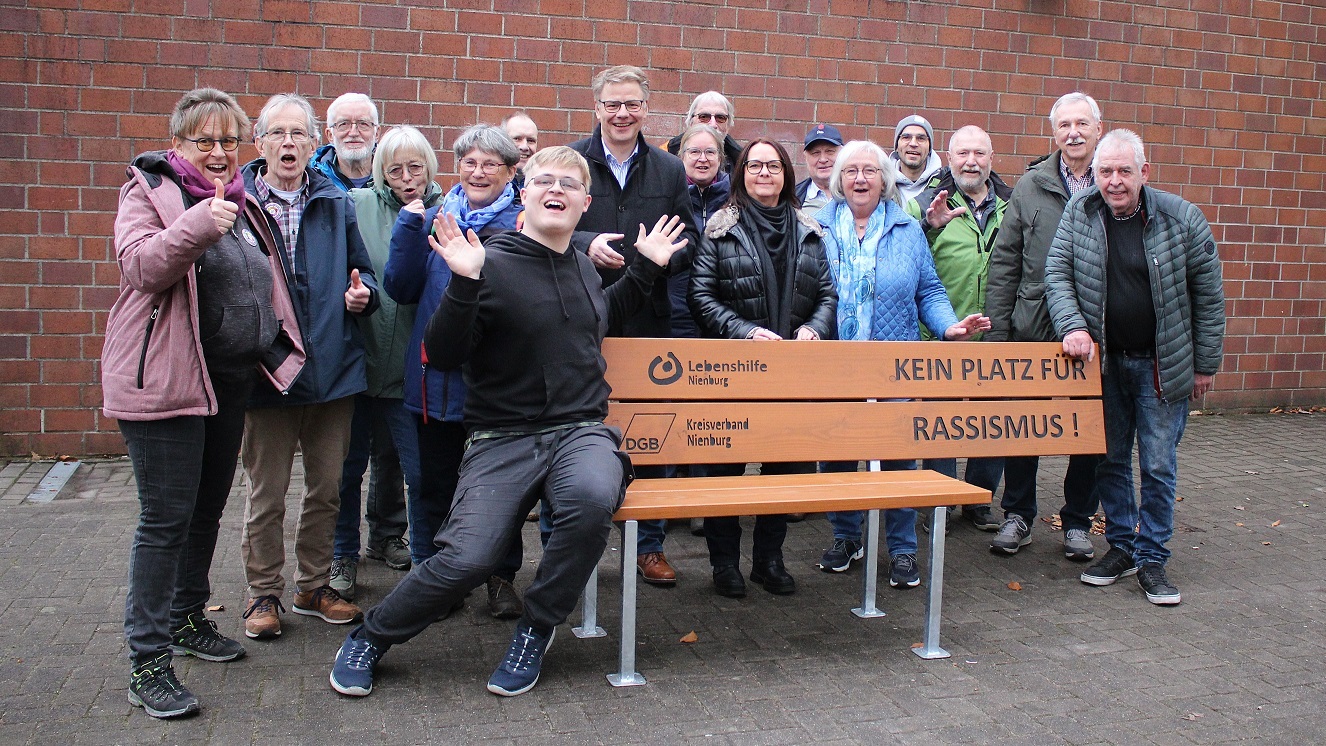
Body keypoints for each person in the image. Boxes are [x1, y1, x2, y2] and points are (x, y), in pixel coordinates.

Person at [328, 146, 688, 698]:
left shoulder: (582, 268)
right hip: (503, 437)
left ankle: (536, 628)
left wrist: (646, 266)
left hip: (580, 431)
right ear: (525, 194)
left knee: (592, 502)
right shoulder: (489, 260)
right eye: (544, 180)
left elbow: (602, 316)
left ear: (584, 204)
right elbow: (443, 353)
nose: (556, 190)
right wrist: (465, 284)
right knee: (468, 558)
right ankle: (371, 636)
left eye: (569, 185)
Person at [105, 88, 304, 718]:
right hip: (165, 383)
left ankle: (188, 621)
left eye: (228, 141)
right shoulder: (150, 192)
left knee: (205, 512)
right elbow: (139, 268)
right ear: (178, 145)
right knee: (164, 522)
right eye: (204, 141)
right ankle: (148, 661)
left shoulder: (243, 205)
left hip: (226, 381)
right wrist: (196, 225)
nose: (218, 152)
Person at [1046, 129, 1224, 605]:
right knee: (1109, 460)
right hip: (1104, 365)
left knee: (1159, 465)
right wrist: (1073, 326)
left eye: (1125, 171)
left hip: (1161, 366)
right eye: (1105, 172)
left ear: (1144, 172)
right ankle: (1122, 546)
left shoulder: (1182, 218)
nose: (1115, 181)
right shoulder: (1079, 213)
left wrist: (1205, 363)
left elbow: (1209, 297)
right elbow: (1057, 274)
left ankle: (1152, 559)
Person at [813, 141, 990, 587]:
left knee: (897, 458)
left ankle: (903, 547)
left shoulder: (906, 228)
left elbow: (928, 289)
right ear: (838, 180)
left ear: (884, 178)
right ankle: (845, 535)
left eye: (869, 171)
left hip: (894, 361)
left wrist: (948, 327)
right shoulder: (816, 228)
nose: (860, 179)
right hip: (836, 363)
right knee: (838, 455)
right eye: (851, 171)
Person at [239, 93, 379, 640]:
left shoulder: (332, 201)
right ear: (261, 142)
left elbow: (361, 274)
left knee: (328, 489)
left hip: (332, 370)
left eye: (299, 134)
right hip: (266, 372)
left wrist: (360, 294)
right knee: (266, 493)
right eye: (278, 133)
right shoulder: (238, 204)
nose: (289, 143)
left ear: (313, 142)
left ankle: (313, 585)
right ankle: (263, 594)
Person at [384, 124, 527, 619]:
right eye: (469, 161)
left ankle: (500, 577)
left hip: (495, 384)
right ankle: (435, 576)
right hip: (432, 382)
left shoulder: (523, 223)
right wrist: (408, 229)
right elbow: (400, 288)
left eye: (491, 163)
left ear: (512, 171)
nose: (478, 171)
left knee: (498, 487)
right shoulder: (437, 217)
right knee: (431, 483)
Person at [689, 138, 837, 598]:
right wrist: (745, 333)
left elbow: (828, 295)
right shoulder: (720, 229)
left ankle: (769, 560)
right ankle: (724, 565)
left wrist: (814, 328)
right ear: (742, 174)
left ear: (786, 175)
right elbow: (701, 297)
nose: (764, 173)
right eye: (755, 166)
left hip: (791, 374)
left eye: (773, 166)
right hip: (734, 372)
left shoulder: (810, 229)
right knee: (724, 473)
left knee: (783, 471)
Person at [570, 65, 698, 587]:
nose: (622, 113)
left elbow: (689, 237)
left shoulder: (669, 170)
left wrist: (661, 256)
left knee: (649, 435)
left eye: (632, 104)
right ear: (596, 107)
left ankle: (649, 545)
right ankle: (569, 550)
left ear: (646, 108)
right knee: (576, 432)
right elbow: (537, 223)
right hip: (581, 318)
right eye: (612, 104)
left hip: (648, 324)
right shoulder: (571, 161)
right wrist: (584, 244)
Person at [984, 92, 1106, 560]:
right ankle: (1018, 515)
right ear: (1053, 132)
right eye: (1063, 125)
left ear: (1098, 127)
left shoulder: (1114, 179)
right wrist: (997, 336)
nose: (1073, 132)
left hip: (1094, 330)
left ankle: (1077, 520)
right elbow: (1005, 262)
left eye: (1081, 123)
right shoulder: (1032, 185)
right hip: (1032, 327)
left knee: (1089, 431)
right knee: (1023, 428)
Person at [330, 125, 439, 601]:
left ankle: (423, 565)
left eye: (415, 167)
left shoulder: (447, 212)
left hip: (412, 372)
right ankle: (341, 557)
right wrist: (351, 296)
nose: (406, 177)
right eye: (395, 168)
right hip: (359, 361)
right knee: (345, 471)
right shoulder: (355, 208)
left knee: (418, 474)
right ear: (380, 171)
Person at [908, 125, 1011, 531]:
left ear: (991, 158)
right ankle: (942, 500)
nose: (971, 161)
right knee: (941, 423)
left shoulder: (1011, 204)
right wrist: (930, 227)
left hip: (995, 332)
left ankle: (979, 500)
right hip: (943, 331)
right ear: (949, 159)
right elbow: (909, 258)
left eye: (979, 154)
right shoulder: (925, 203)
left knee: (993, 422)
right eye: (963, 153)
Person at [312, 92, 379, 191]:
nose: (353, 133)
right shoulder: (312, 180)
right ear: (330, 135)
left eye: (363, 124)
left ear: (376, 133)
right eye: (343, 124)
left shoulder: (394, 178)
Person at [664, 91, 743, 173]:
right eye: (704, 117)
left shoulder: (741, 160)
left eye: (720, 118)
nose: (713, 124)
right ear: (691, 122)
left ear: (728, 125)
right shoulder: (666, 153)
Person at [890, 114, 943, 204]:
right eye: (906, 137)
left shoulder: (944, 184)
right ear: (897, 146)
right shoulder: (882, 183)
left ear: (929, 147)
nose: (913, 143)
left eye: (921, 138)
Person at [794, 123, 843, 212]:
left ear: (843, 154)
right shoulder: (792, 199)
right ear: (806, 158)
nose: (823, 159)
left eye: (830, 151)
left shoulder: (857, 193)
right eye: (815, 153)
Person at [501, 112, 539, 196]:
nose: (524, 147)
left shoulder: (543, 182)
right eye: (517, 139)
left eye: (530, 140)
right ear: (502, 141)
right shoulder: (491, 179)